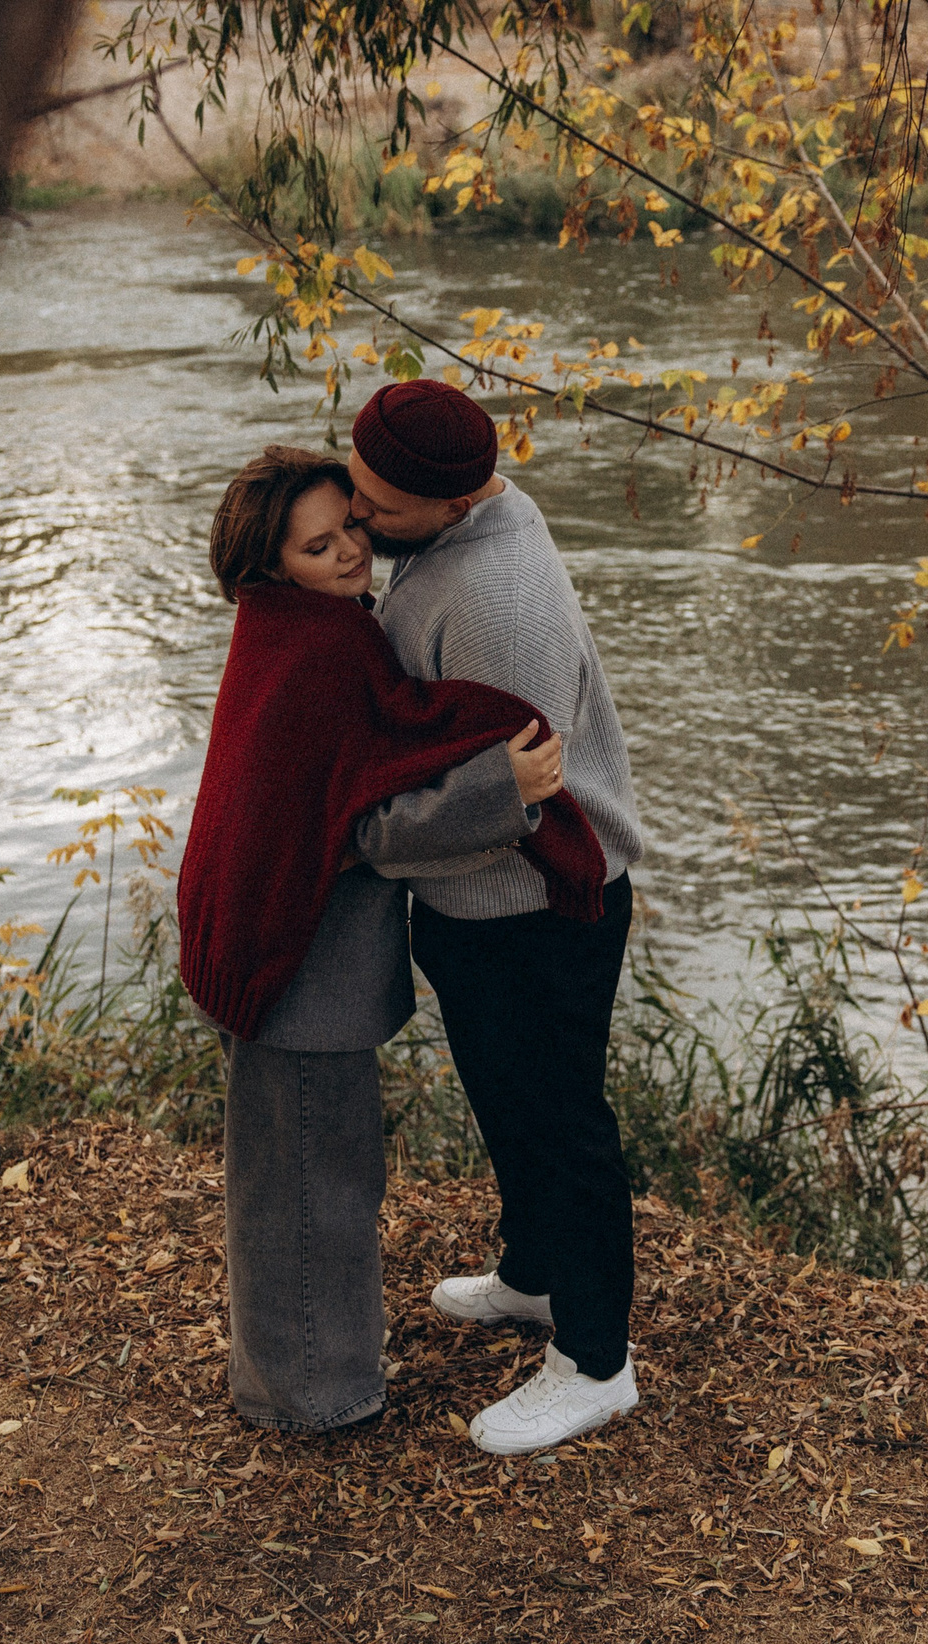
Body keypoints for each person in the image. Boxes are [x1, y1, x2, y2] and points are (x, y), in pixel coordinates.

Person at [176, 446, 607, 1434]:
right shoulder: (324, 650)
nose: (350, 557)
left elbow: (342, 784)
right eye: (319, 546)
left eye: (354, 530)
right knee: (312, 1189)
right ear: (269, 563)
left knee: (294, 1177)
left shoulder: (284, 633)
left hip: (268, 948)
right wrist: (507, 789)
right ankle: (314, 1401)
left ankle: (287, 1379)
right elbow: (360, 828)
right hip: (303, 971)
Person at [342, 380, 651, 1456]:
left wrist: (368, 841)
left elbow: (511, 803)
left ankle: (596, 1362)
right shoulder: (450, 533)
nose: (354, 513)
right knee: (504, 1100)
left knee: (560, 1121)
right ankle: (533, 1277)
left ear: (448, 500)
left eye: (375, 505)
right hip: (478, 901)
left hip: (535, 899)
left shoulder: (497, 605)